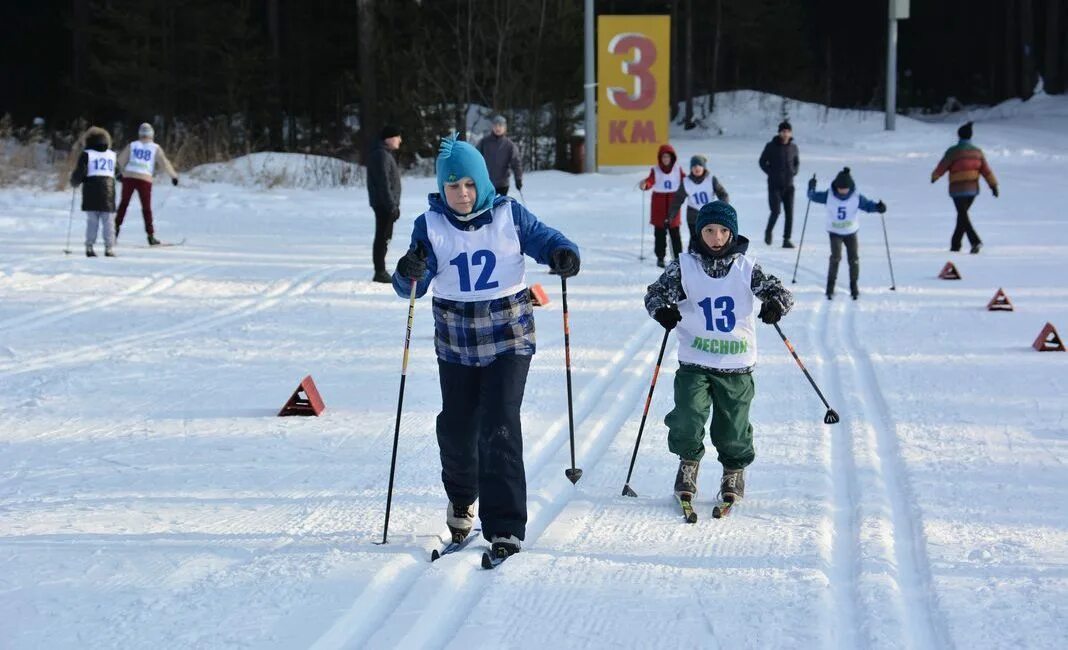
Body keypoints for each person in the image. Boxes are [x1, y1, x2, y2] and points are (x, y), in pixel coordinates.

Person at [391, 134, 579, 561]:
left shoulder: (508, 215)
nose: (462, 194)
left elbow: (549, 240)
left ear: (483, 183)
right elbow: (410, 285)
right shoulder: (430, 224)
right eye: (453, 186)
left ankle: (506, 527)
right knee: (456, 428)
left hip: (509, 336)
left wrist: (564, 253)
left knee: (499, 424)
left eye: (469, 185)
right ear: (443, 188)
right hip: (456, 340)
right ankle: (462, 499)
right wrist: (408, 271)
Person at [644, 201, 794, 510]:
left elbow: (780, 292)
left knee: (732, 428)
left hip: (736, 364)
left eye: (724, 231)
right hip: (695, 361)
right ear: (699, 232)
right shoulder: (684, 265)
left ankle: (733, 471)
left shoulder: (745, 267)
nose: (716, 237)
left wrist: (774, 306)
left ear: (732, 233)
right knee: (687, 418)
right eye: (709, 230)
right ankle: (688, 464)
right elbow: (655, 293)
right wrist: (662, 311)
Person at [807, 168, 887, 300]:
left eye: (845, 189)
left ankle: (853, 285)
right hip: (835, 232)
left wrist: (878, 207)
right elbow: (813, 197)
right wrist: (811, 187)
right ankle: (830, 286)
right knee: (835, 258)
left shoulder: (856, 197)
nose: (842, 191)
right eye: (840, 188)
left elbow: (867, 206)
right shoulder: (829, 196)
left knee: (853, 259)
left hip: (851, 232)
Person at [930, 121, 998, 254]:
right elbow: (986, 170)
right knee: (962, 215)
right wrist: (993, 185)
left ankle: (974, 241)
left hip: (957, 189)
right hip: (972, 190)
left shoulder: (953, 152)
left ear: (959, 136)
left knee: (963, 215)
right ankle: (955, 245)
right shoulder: (977, 153)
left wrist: (935, 176)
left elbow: (942, 166)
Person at [115, 122, 179, 246]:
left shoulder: (133, 145)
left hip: (129, 177)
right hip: (145, 179)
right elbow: (164, 163)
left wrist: (118, 174)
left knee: (124, 204)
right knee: (146, 208)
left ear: (139, 134)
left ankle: (114, 231)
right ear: (151, 134)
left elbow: (120, 161)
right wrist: (173, 176)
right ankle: (150, 235)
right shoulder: (155, 147)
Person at [70, 126, 119, 258]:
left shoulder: (86, 154)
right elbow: (118, 173)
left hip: (90, 193)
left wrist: (75, 182)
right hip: (108, 194)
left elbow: (80, 172)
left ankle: (89, 246)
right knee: (108, 222)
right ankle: (109, 248)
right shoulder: (112, 155)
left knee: (92, 221)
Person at [667, 154, 730, 247]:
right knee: (695, 239)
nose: (697, 168)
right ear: (691, 168)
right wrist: (670, 217)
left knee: (708, 239)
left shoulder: (711, 179)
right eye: (694, 166)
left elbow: (723, 194)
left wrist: (723, 208)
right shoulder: (686, 182)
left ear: (703, 167)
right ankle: (692, 259)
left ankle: (708, 259)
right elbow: (677, 200)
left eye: (699, 165)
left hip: (708, 214)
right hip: (693, 215)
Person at [639, 144, 685, 267]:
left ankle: (677, 258)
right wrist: (645, 185)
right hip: (658, 206)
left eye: (668, 157)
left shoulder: (677, 169)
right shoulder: (655, 170)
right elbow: (650, 180)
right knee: (659, 234)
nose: (666, 159)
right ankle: (660, 257)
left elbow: (686, 180)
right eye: (663, 157)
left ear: (672, 158)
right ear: (660, 158)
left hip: (673, 205)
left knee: (675, 233)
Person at [368, 124, 403, 283]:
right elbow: (383, 183)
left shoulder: (384, 154)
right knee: (382, 237)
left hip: (386, 204)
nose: (400, 140)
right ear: (388, 139)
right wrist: (391, 206)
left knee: (385, 236)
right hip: (383, 205)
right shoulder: (381, 155)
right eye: (397, 137)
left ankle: (380, 270)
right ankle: (380, 271)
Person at [758, 121, 800, 248]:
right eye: (783, 131)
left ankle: (786, 239)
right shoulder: (771, 146)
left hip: (789, 186)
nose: (785, 134)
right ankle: (768, 231)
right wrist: (771, 173)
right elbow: (762, 162)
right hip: (774, 185)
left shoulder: (793, 147)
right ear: (779, 132)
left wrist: (794, 171)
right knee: (776, 211)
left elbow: (796, 162)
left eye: (787, 131)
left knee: (789, 213)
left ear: (790, 133)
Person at [476, 115, 523, 197]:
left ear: (505, 128)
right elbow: (475, 158)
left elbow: (516, 163)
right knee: (487, 207)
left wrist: (518, 179)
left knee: (499, 207)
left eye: (500, 125)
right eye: (495, 125)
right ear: (492, 127)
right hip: (486, 183)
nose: (498, 128)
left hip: (502, 184)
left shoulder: (509, 145)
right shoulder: (484, 142)